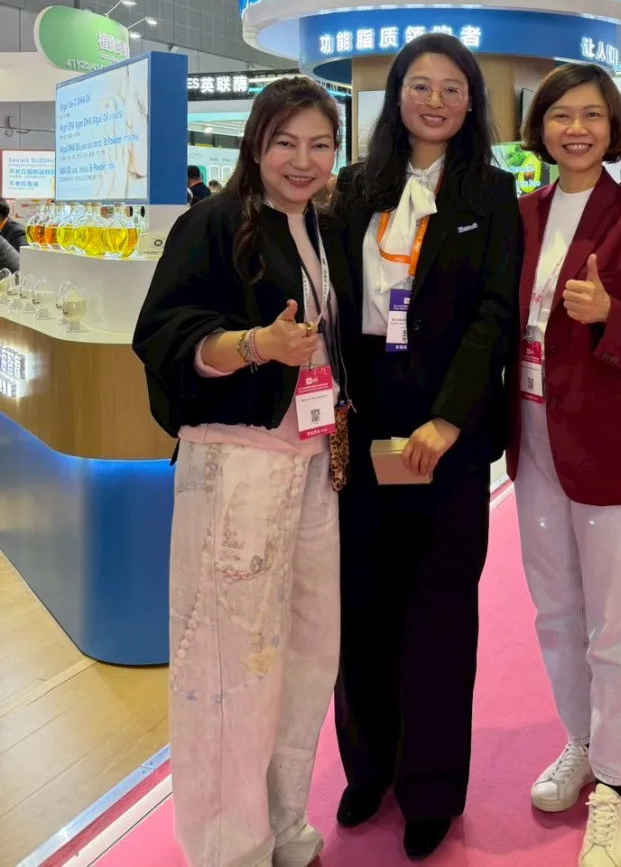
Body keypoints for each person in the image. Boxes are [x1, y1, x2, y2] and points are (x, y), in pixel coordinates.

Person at [132, 77, 346, 867]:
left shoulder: (317, 227)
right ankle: (230, 849)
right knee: (228, 668)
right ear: (256, 143)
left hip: (310, 464)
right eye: (285, 142)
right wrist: (255, 344)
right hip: (236, 468)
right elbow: (165, 333)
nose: (302, 159)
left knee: (305, 655)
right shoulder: (215, 221)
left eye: (319, 144)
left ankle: (283, 821)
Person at [330, 32, 522, 862]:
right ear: (396, 94)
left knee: (441, 613)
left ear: (472, 100)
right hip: (363, 415)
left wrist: (449, 419)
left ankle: (432, 787)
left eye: (451, 87)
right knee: (361, 605)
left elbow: (495, 313)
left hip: (449, 429)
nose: (434, 100)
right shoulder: (353, 188)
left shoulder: (492, 191)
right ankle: (368, 766)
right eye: (419, 85)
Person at [511, 64, 621, 867]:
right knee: (554, 611)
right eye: (559, 115)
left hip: (613, 444)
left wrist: (611, 316)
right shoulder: (522, 215)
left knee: (616, 622)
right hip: (533, 436)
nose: (575, 129)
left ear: (613, 126)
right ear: (539, 127)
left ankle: (614, 782)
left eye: (590, 115)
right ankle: (580, 741)